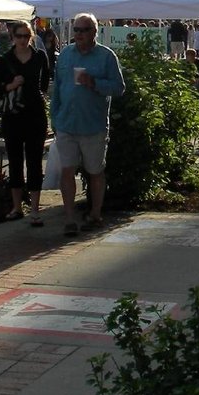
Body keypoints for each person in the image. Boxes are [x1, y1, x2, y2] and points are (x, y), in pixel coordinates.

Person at [48, 12, 126, 237]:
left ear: (95, 32)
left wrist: (94, 83)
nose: (79, 34)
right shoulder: (65, 55)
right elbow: (58, 89)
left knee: (95, 171)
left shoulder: (105, 56)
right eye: (76, 30)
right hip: (66, 123)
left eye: (84, 30)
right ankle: (70, 218)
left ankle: (95, 214)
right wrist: (55, 117)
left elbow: (118, 88)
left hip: (93, 125)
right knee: (67, 170)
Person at [0, 21, 51, 225]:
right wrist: (10, 86)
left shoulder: (40, 56)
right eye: (19, 36)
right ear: (13, 37)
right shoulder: (5, 59)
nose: (23, 40)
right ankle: (16, 207)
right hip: (13, 115)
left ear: (31, 36)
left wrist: (37, 94)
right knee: (14, 161)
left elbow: (44, 82)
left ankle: (34, 209)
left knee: (34, 161)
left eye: (26, 36)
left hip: (35, 114)